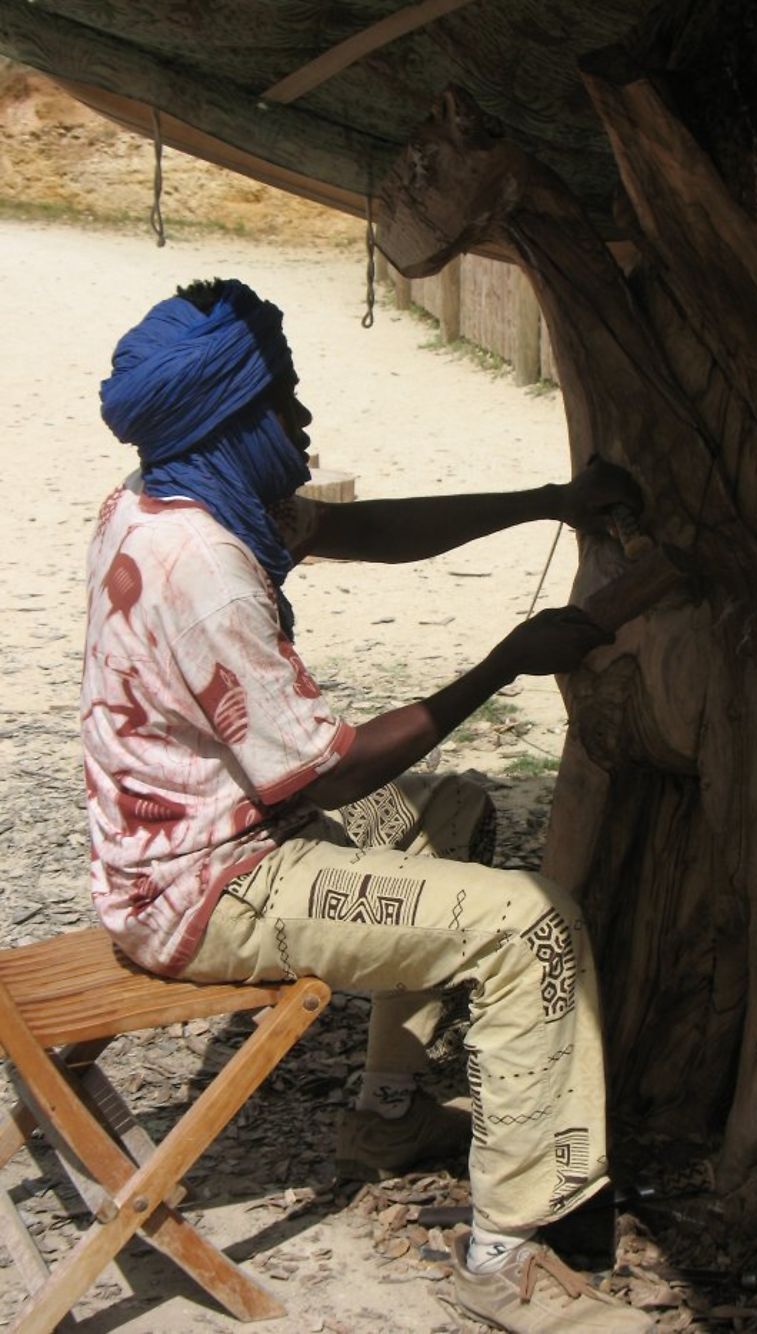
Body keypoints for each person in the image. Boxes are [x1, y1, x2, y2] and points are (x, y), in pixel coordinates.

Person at [81, 277, 652, 1332]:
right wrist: (504, 662)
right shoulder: (203, 563)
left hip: (181, 847)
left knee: (454, 812)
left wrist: (548, 500)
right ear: (231, 419)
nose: (302, 422)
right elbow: (332, 770)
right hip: (209, 887)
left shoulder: (172, 496)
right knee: (530, 920)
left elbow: (369, 530)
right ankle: (510, 1251)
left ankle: (387, 1115)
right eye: (284, 405)